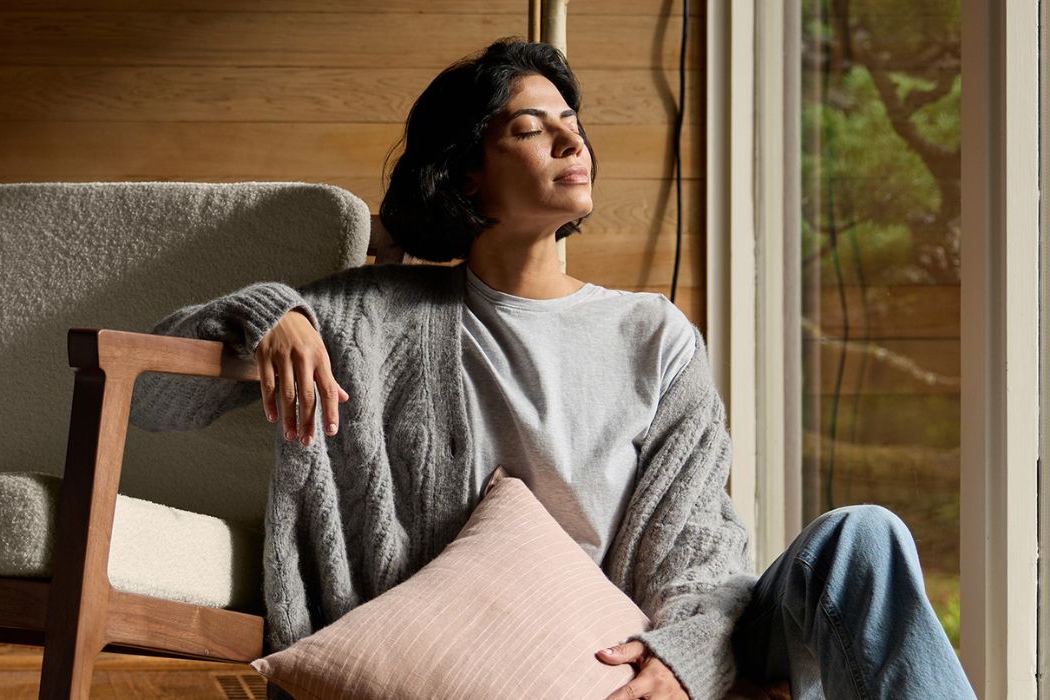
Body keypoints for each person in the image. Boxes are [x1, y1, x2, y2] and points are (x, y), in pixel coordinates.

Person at [130, 38, 973, 700]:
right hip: (496, 647)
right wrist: (265, 314)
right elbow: (156, 401)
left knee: (864, 537)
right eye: (531, 128)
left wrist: (679, 656)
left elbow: (701, 552)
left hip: (657, 629)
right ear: (467, 173)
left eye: (572, 119)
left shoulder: (655, 333)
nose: (572, 137)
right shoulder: (372, 315)